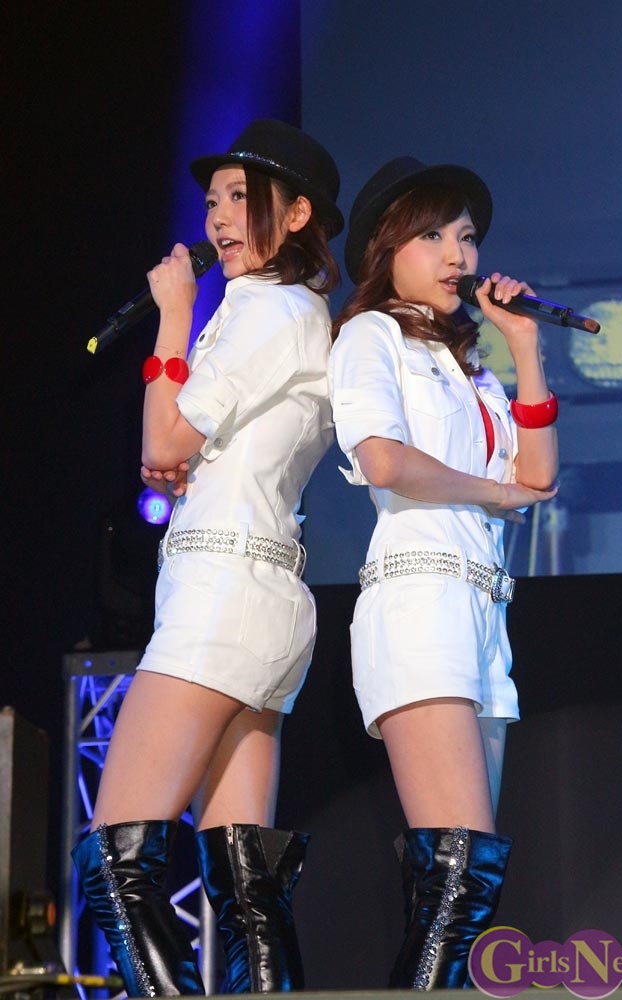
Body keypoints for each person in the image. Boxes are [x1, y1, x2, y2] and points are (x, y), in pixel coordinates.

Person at [72, 118, 343, 996]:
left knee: (114, 859)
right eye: (212, 201)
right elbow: (181, 448)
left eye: (240, 198)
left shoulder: (269, 309)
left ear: (296, 214)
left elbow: (163, 440)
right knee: (245, 877)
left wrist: (174, 317)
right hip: (257, 591)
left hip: (222, 594)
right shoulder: (287, 313)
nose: (218, 217)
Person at [328, 156, 559, 989]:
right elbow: (385, 462)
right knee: (460, 873)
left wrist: (523, 345)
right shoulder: (370, 335)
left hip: (480, 618)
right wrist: (491, 493)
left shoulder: (473, 366)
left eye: (464, 236)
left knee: (458, 882)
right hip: (417, 600)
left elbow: (537, 478)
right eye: (431, 235)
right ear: (385, 249)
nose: (457, 254)